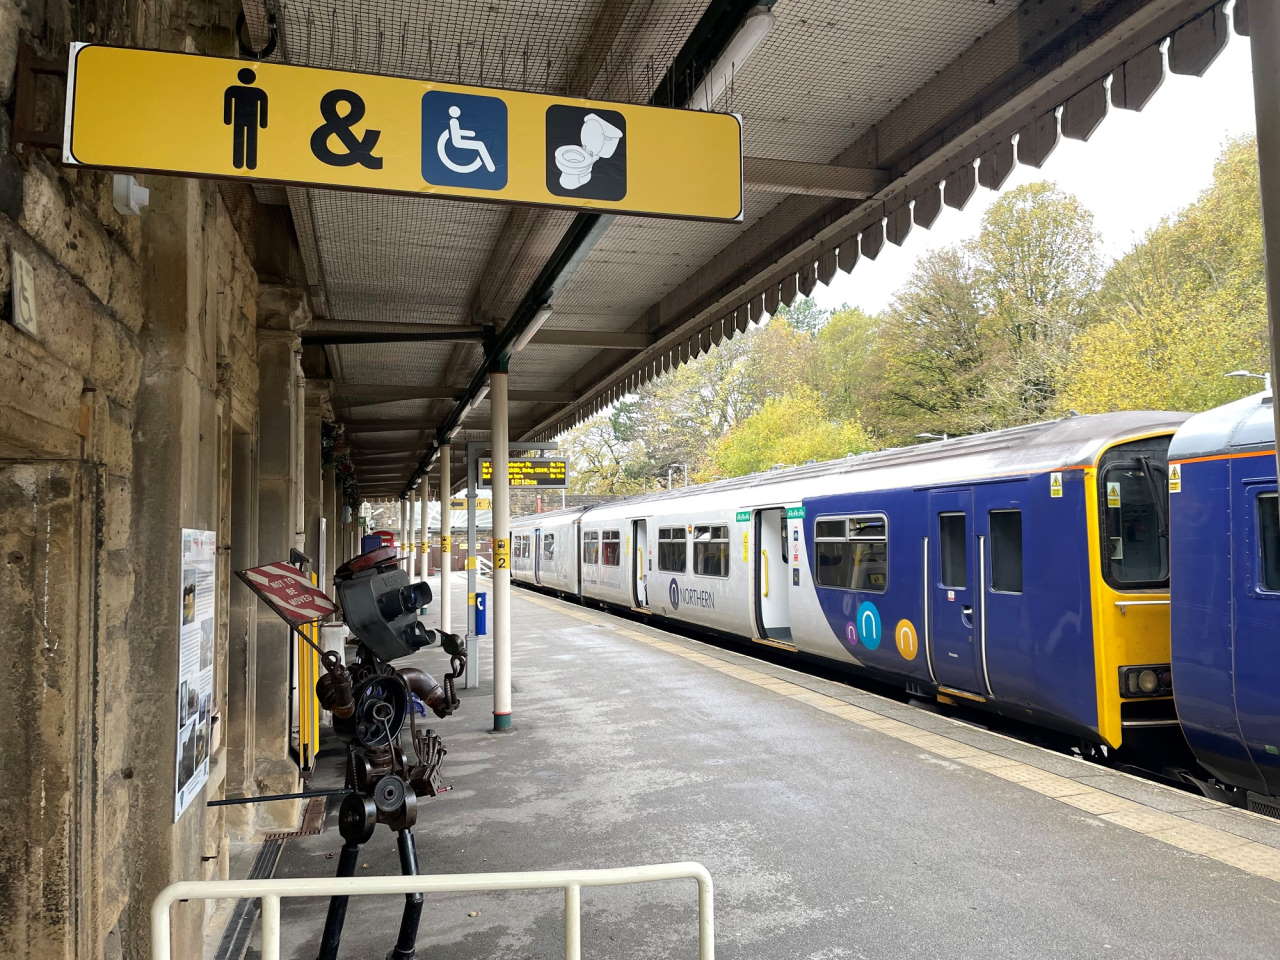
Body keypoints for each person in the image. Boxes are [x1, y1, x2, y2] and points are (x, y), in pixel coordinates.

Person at [224, 68, 268, 170]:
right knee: (250, 140)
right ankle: (249, 163)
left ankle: (240, 162)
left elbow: (228, 104)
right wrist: (263, 123)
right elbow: (264, 109)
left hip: (240, 118)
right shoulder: (259, 92)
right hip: (250, 119)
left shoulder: (233, 89)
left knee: (240, 139)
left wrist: (228, 119)